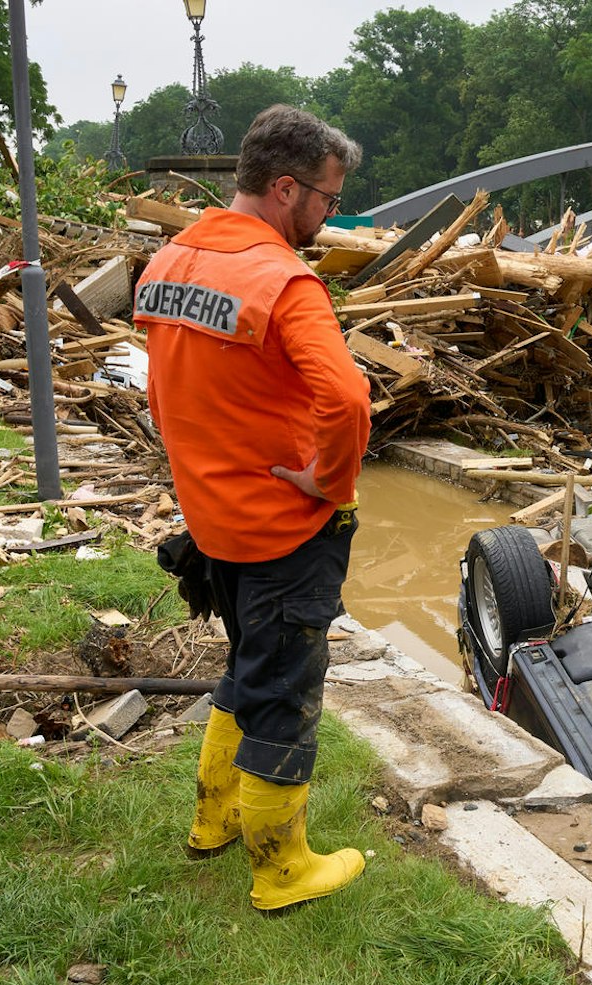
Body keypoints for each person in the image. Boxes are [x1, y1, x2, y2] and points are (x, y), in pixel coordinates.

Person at [136, 104, 372, 911]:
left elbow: (160, 395)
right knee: (284, 695)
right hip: (282, 529)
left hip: (213, 522)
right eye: (326, 200)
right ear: (284, 188)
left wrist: (199, 474)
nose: (326, 217)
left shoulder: (169, 261)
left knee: (244, 667)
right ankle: (281, 870)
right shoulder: (283, 279)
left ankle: (214, 821)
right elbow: (347, 400)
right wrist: (329, 483)